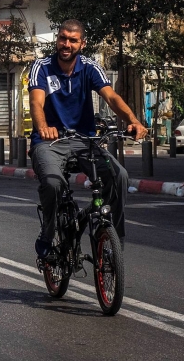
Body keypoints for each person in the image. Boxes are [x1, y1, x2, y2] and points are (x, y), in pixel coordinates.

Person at [28, 19, 147, 260]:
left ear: (82, 43)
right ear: (57, 39)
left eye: (73, 40)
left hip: (85, 141)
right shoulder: (42, 67)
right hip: (50, 142)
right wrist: (43, 127)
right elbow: (36, 102)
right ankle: (48, 232)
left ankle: (114, 237)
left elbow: (111, 98)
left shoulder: (90, 67)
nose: (66, 44)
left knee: (119, 176)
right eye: (63, 38)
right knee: (52, 183)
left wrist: (132, 121)